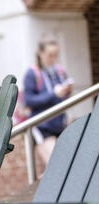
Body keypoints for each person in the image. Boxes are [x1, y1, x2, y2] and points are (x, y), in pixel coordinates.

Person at [23, 35, 72, 167]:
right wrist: (53, 94)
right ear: (40, 53)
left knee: (67, 166)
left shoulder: (60, 72)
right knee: (55, 166)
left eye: (56, 54)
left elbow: (63, 99)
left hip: (60, 124)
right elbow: (29, 101)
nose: (53, 58)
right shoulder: (32, 74)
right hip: (42, 126)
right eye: (50, 55)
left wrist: (66, 91)